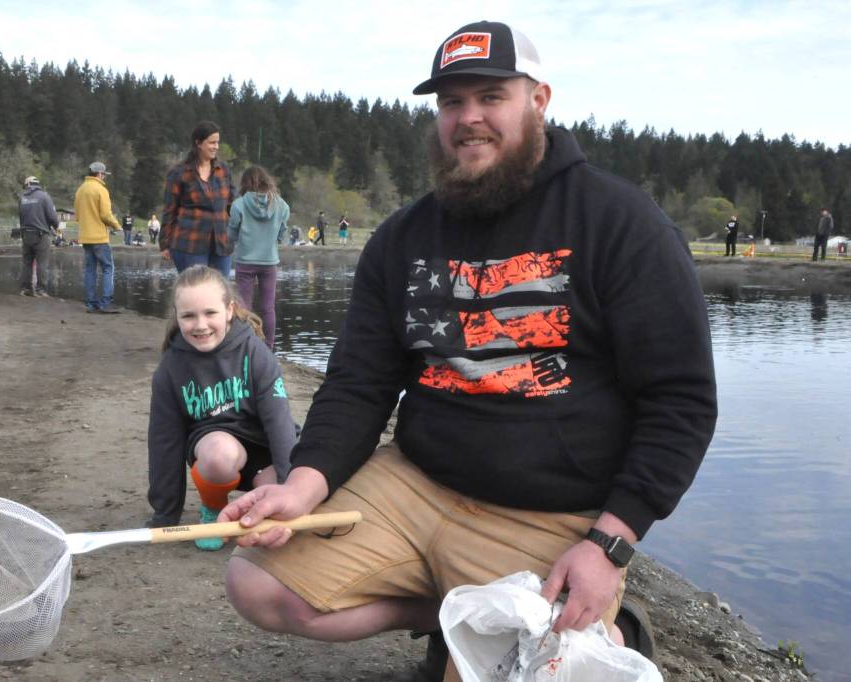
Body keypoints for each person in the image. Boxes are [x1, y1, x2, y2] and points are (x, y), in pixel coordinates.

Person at [218, 20, 717, 681]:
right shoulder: (403, 237)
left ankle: (608, 623)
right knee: (256, 583)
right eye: (452, 102)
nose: (468, 118)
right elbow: (360, 383)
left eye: (490, 97)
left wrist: (609, 544)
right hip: (418, 485)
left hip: (552, 513)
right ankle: (451, 613)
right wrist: (304, 486)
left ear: (538, 101)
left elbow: (680, 402)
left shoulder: (622, 223)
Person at [146, 265, 298, 551]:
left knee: (280, 503)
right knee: (218, 455)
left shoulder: (255, 352)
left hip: (262, 448)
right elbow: (164, 440)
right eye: (189, 316)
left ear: (229, 311)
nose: (200, 324)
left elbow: (279, 422)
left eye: (210, 313)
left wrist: (292, 489)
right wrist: (165, 513)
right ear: (177, 318)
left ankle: (249, 510)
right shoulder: (170, 369)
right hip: (217, 450)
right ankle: (213, 510)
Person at [228, 165, 291, 350]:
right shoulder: (281, 205)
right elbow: (282, 236)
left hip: (245, 262)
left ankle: (244, 346)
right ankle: (268, 348)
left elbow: (231, 236)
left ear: (245, 183)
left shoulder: (238, 205)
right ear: (267, 181)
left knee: (244, 307)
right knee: (268, 308)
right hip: (269, 262)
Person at [160, 121, 235, 276]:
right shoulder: (179, 173)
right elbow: (169, 210)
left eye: (218, 142)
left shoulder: (223, 170)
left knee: (221, 294)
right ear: (198, 143)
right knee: (196, 294)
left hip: (221, 244)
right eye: (212, 142)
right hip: (189, 245)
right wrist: (164, 244)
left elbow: (232, 205)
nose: (216, 147)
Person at [74, 161, 122, 313]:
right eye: (104, 175)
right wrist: (116, 225)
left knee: (90, 270)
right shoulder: (101, 190)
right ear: (100, 174)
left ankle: (90, 303)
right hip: (99, 238)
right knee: (108, 268)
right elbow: (106, 214)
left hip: (85, 237)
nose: (104, 178)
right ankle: (106, 302)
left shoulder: (80, 190)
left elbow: (77, 215)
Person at [18, 175, 60, 297]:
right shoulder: (44, 196)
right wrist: (56, 226)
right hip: (41, 235)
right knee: (42, 263)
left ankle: (25, 289)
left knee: (27, 263)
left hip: (26, 234)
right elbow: (52, 217)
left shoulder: (22, 198)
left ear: (28, 185)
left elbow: (21, 217)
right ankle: (41, 290)